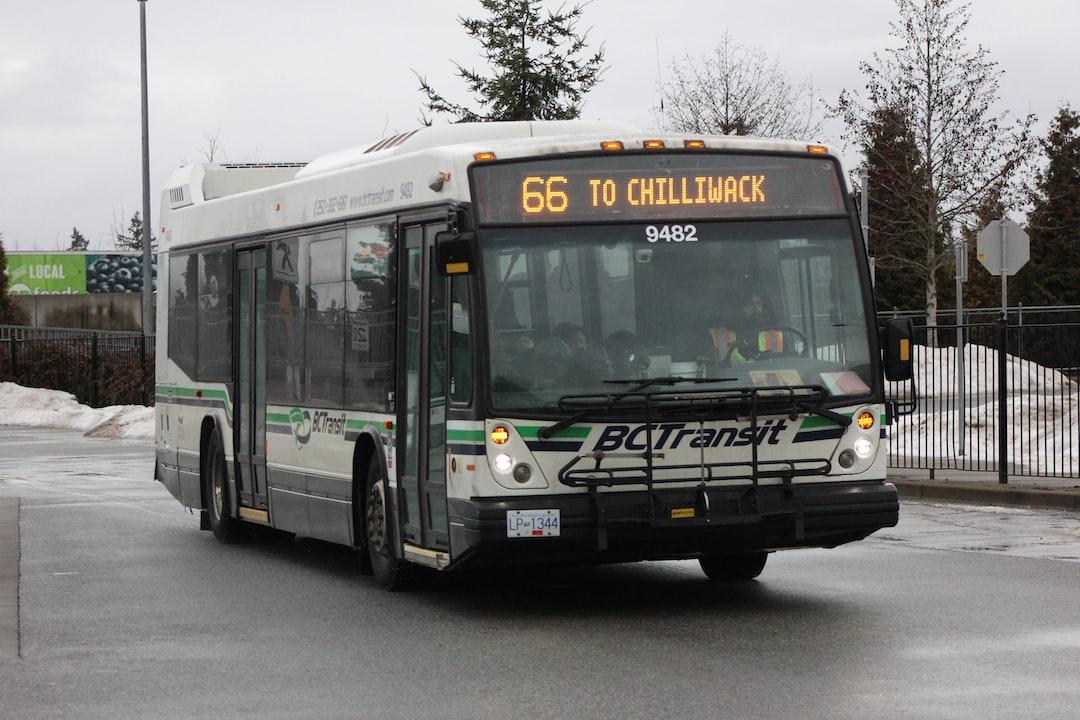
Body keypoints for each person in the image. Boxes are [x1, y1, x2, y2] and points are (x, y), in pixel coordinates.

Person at [707, 282, 785, 365]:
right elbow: (710, 371)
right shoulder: (716, 337)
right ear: (738, 307)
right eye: (750, 304)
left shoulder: (775, 336)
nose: (756, 308)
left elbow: (790, 363)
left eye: (759, 303)